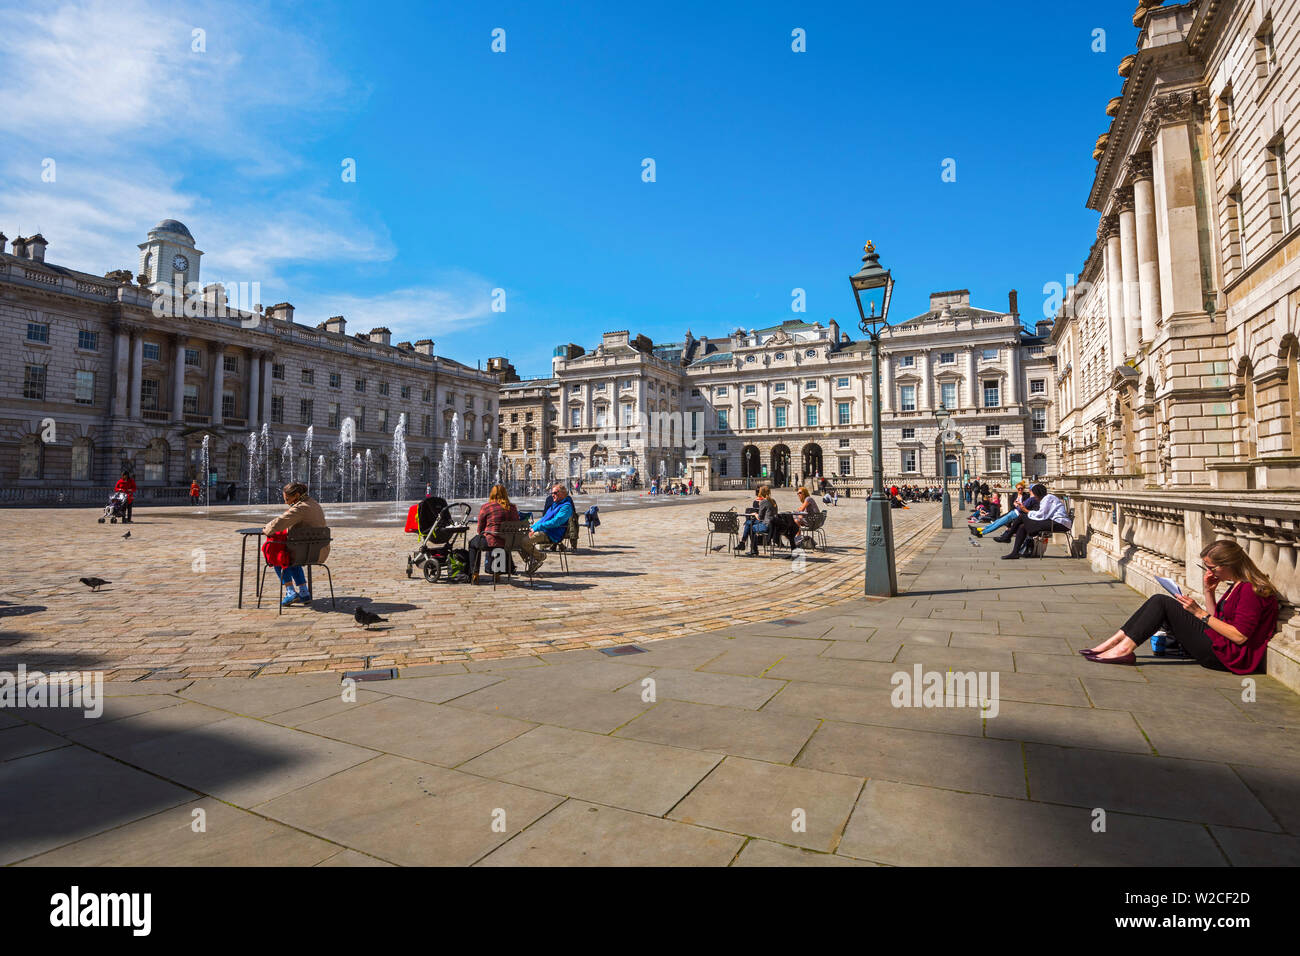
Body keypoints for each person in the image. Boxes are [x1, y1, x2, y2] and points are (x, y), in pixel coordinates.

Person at [1086, 540, 1279, 671]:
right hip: (1219, 644)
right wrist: (1208, 592)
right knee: (1158, 600)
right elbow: (1219, 620)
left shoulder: (1250, 591)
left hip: (1226, 656)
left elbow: (1239, 636)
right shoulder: (1237, 586)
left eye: (1212, 568)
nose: (1210, 573)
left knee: (1162, 602)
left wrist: (1199, 613)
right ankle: (1114, 643)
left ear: (1230, 564)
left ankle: (1122, 649)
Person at [262, 481, 329, 607]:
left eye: (287, 499)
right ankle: (304, 592)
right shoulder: (314, 503)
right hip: (318, 551)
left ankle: (290, 591)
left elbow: (279, 522)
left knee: (276, 555)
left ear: (297, 495)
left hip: (305, 553)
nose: (286, 502)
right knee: (291, 552)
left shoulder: (300, 508)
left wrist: (266, 528)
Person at [470, 484, 535, 582]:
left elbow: (480, 529)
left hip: (491, 541)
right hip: (509, 543)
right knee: (499, 541)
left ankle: (474, 573)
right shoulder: (512, 507)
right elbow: (516, 524)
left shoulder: (486, 507)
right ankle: (497, 573)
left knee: (472, 543)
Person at [1003, 483, 1070, 560]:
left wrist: (1026, 511)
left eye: (1035, 495)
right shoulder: (1046, 498)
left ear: (1038, 493)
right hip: (1054, 522)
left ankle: (1008, 536)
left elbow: (1042, 515)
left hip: (1059, 523)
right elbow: (1042, 515)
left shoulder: (1048, 499)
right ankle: (1014, 552)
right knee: (1022, 526)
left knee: (1022, 516)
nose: (1034, 497)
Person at [528, 483, 575, 571]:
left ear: (563, 493)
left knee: (525, 541)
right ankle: (533, 559)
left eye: (555, 493)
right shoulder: (554, 505)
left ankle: (539, 557)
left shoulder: (566, 507)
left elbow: (555, 522)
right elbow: (543, 519)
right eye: (551, 493)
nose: (552, 495)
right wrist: (531, 527)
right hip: (546, 531)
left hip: (552, 535)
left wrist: (536, 528)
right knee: (518, 540)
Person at [738, 485, 778, 556]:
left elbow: (759, 517)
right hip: (773, 524)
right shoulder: (773, 501)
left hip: (766, 525)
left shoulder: (763, 501)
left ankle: (752, 548)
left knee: (750, 525)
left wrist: (754, 513)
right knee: (749, 523)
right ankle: (747, 546)